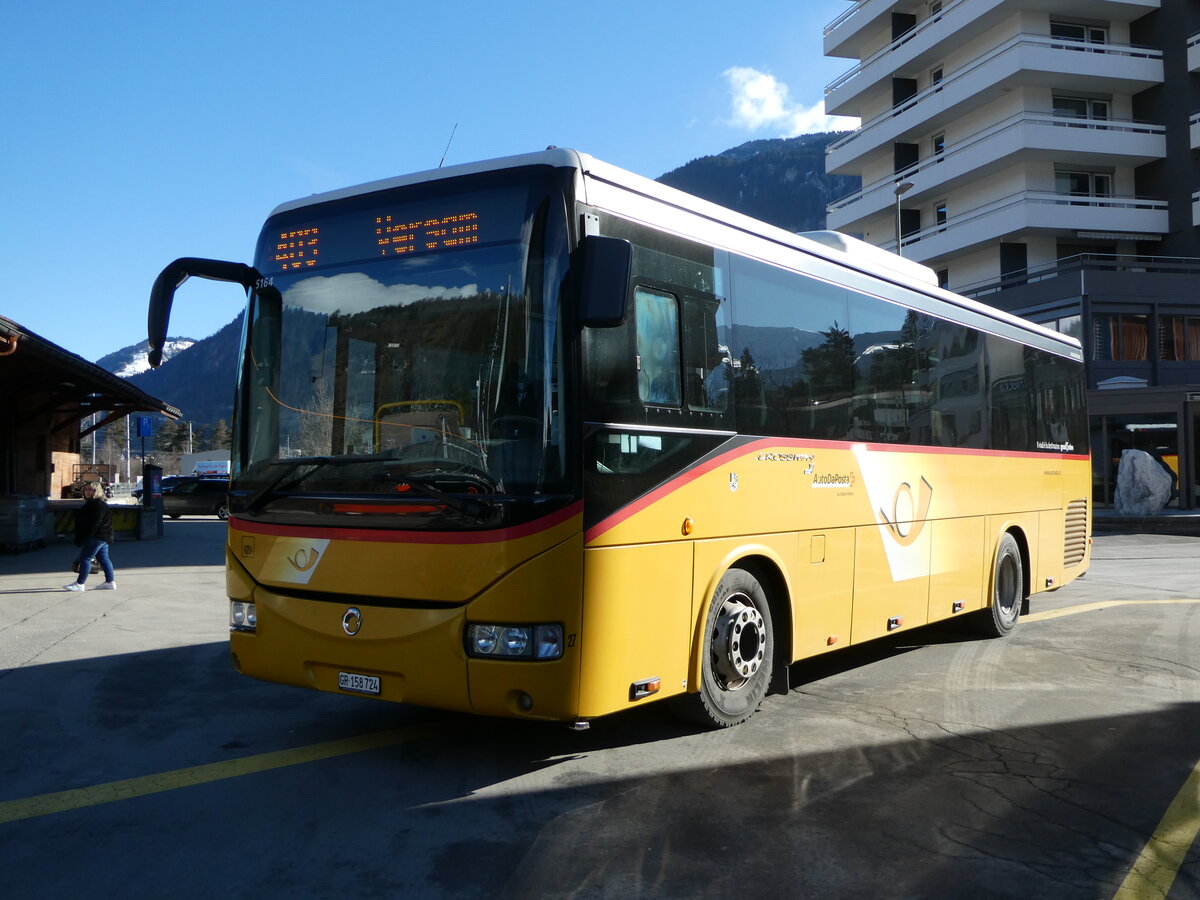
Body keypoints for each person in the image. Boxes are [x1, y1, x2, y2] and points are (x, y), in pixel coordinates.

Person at [64, 482, 116, 592]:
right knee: (104, 559)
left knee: (85, 558)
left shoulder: (95, 504)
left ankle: (80, 583)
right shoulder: (97, 503)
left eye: (91, 489)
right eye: (86, 489)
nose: (88, 492)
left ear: (96, 491)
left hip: (96, 536)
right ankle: (110, 582)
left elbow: (95, 522)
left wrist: (87, 536)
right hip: (103, 536)